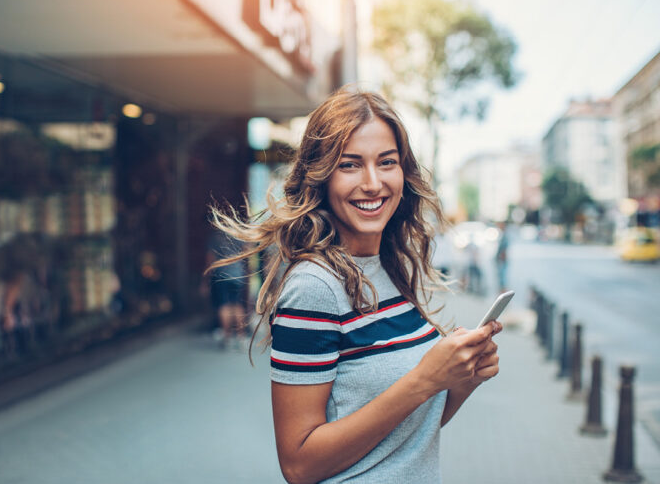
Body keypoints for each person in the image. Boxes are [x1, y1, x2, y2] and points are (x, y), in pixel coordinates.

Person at [208, 86, 500, 483]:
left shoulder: (391, 267)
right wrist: (424, 379)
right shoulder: (315, 287)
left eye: (387, 162)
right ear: (321, 176)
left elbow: (405, 437)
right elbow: (298, 465)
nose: (372, 182)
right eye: (349, 165)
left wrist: (460, 380)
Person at [205, 228, 249, 349]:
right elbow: (247, 253)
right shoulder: (237, 235)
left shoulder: (215, 238)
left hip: (221, 275)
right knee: (237, 305)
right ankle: (241, 337)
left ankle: (227, 337)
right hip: (237, 274)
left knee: (224, 305)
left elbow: (210, 258)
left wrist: (206, 277)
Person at [495, 222, 509, 294]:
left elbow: (504, 250)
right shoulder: (503, 235)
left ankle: (502, 294)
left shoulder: (505, 236)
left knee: (502, 279)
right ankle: (501, 294)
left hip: (502, 261)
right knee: (501, 279)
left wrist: (501, 258)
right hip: (501, 260)